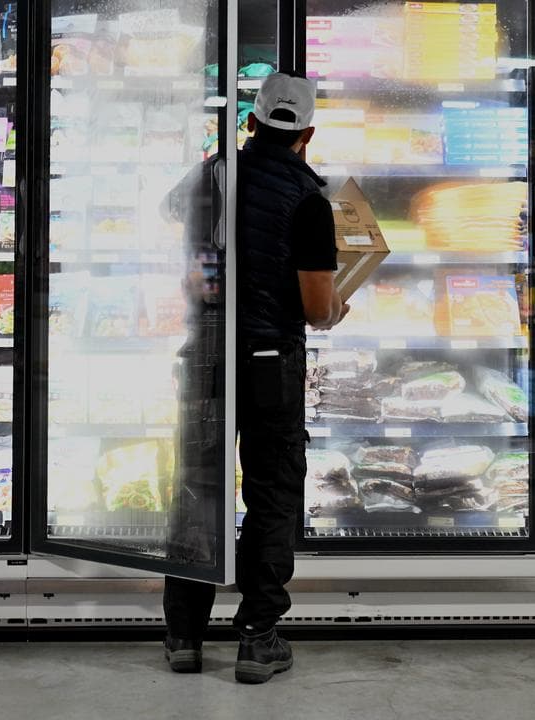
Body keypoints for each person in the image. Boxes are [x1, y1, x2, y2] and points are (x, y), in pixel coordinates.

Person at [162, 72, 348, 684]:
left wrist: (210, 262)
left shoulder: (213, 175)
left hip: (208, 356)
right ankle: (257, 636)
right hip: (270, 362)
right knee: (270, 492)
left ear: (252, 122)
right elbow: (318, 307)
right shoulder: (311, 199)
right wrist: (336, 308)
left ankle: (185, 635)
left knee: (198, 483)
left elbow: (175, 221)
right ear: (308, 134)